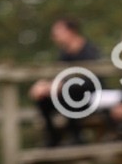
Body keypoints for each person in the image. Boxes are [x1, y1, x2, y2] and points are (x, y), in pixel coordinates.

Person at [29, 18, 101, 146]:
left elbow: (91, 81)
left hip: (90, 98)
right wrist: (43, 86)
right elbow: (59, 77)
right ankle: (53, 138)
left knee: (70, 92)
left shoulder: (90, 51)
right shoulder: (63, 54)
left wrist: (59, 85)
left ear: (70, 32)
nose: (54, 37)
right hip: (68, 98)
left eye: (57, 33)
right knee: (43, 99)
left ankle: (77, 137)